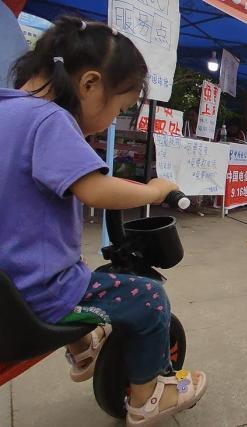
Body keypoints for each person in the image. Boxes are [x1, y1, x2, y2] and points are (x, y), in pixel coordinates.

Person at [0, 17, 206, 426]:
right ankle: (150, 396)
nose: (112, 119)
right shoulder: (51, 120)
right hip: (37, 293)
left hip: (8, 288)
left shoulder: (7, 109)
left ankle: (83, 348)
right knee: (148, 298)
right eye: (118, 109)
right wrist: (154, 191)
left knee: (79, 271)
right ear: (90, 84)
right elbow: (95, 189)